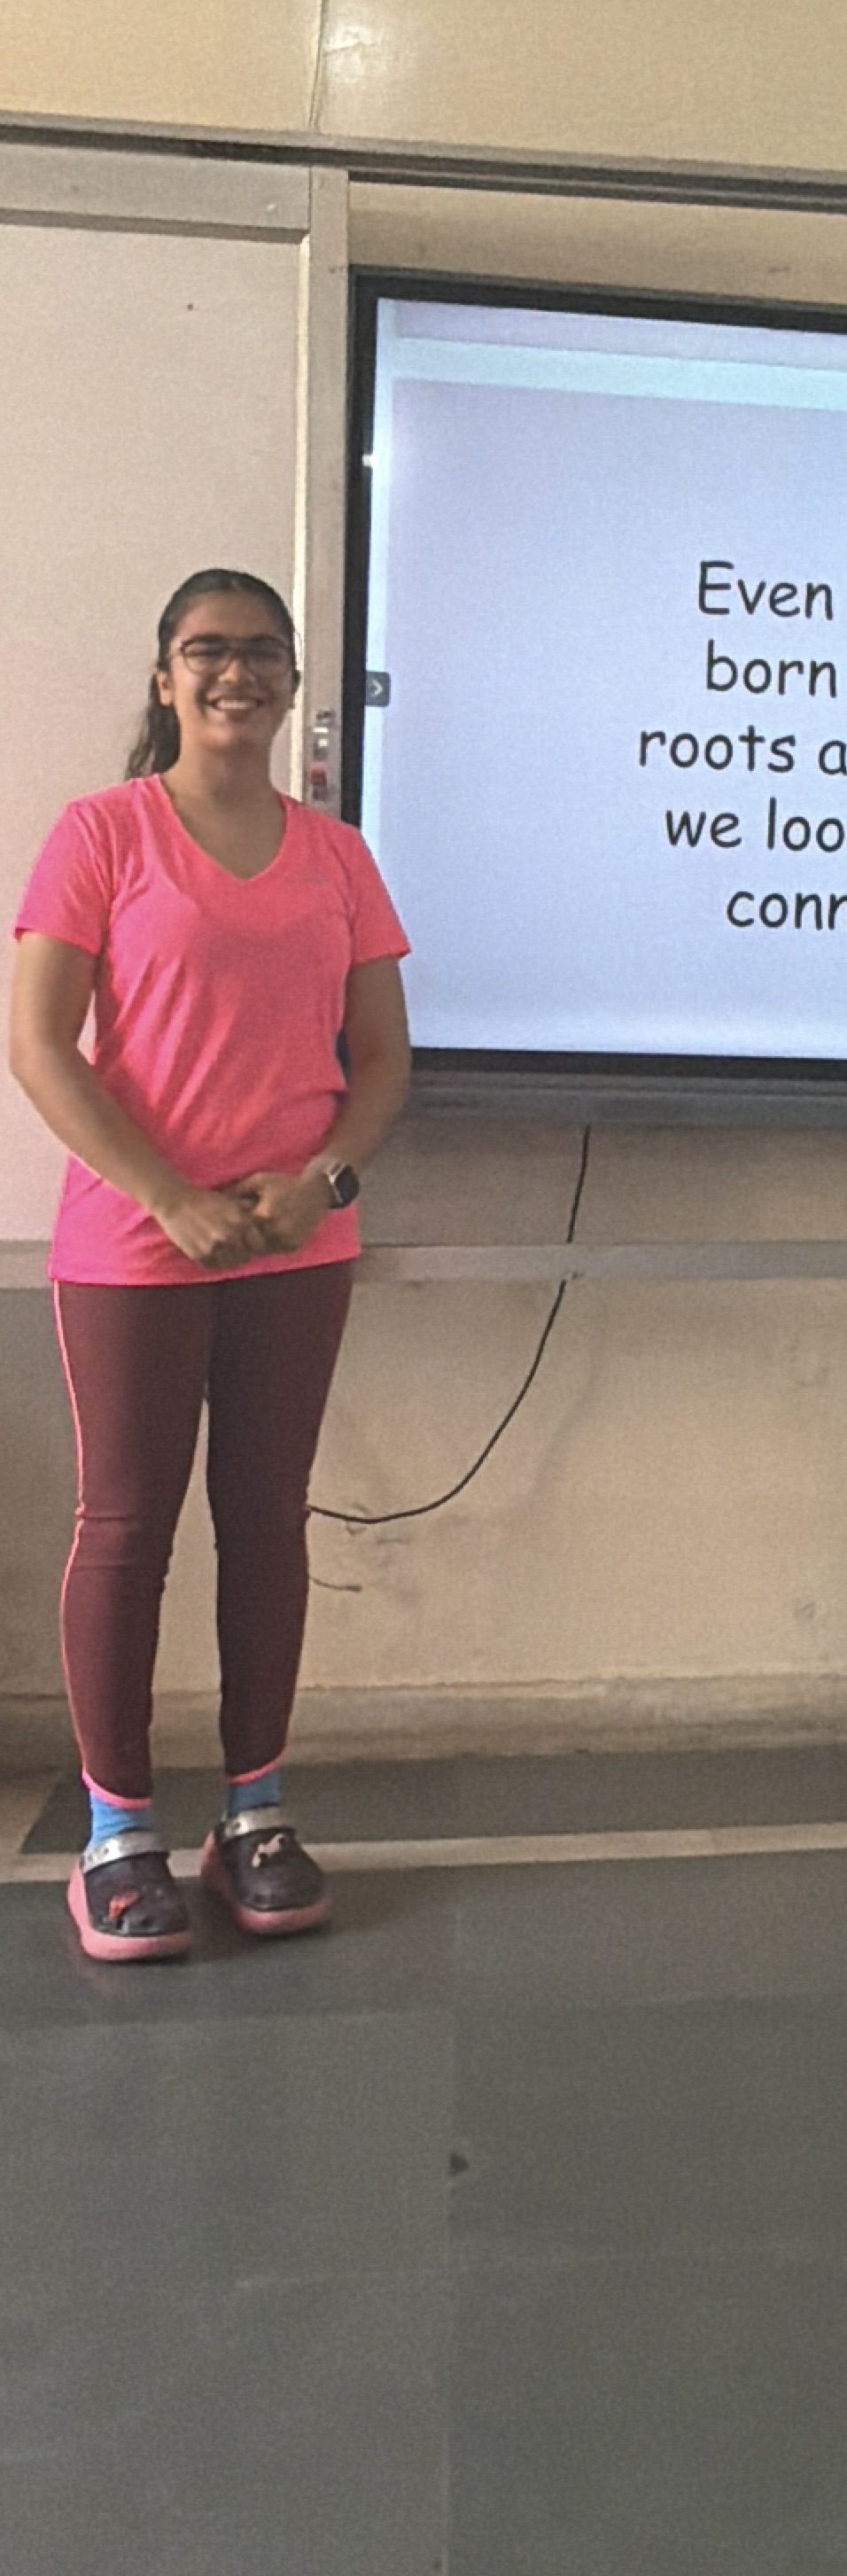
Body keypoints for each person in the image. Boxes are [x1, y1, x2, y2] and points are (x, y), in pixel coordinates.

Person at [8, 570, 411, 1963]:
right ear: (166, 677)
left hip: (298, 1249)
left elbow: (384, 1060)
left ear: (294, 682)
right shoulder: (101, 834)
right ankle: (117, 1830)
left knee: (268, 1524)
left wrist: (321, 1184)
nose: (236, 672)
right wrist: (167, 1196)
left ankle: (255, 1815)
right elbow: (40, 1046)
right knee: (125, 1533)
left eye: (261, 653)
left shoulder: (340, 857)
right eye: (208, 652)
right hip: (133, 1250)